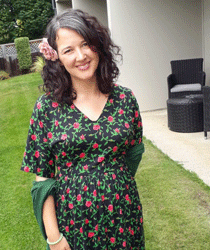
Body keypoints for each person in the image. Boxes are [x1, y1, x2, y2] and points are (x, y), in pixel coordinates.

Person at [21, 9, 145, 250]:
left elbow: (134, 154)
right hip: (73, 227)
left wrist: (112, 181)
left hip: (125, 219)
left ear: (98, 45)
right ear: (56, 57)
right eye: (68, 50)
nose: (81, 56)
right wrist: (54, 237)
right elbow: (43, 179)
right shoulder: (46, 108)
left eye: (86, 44)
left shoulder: (125, 99)